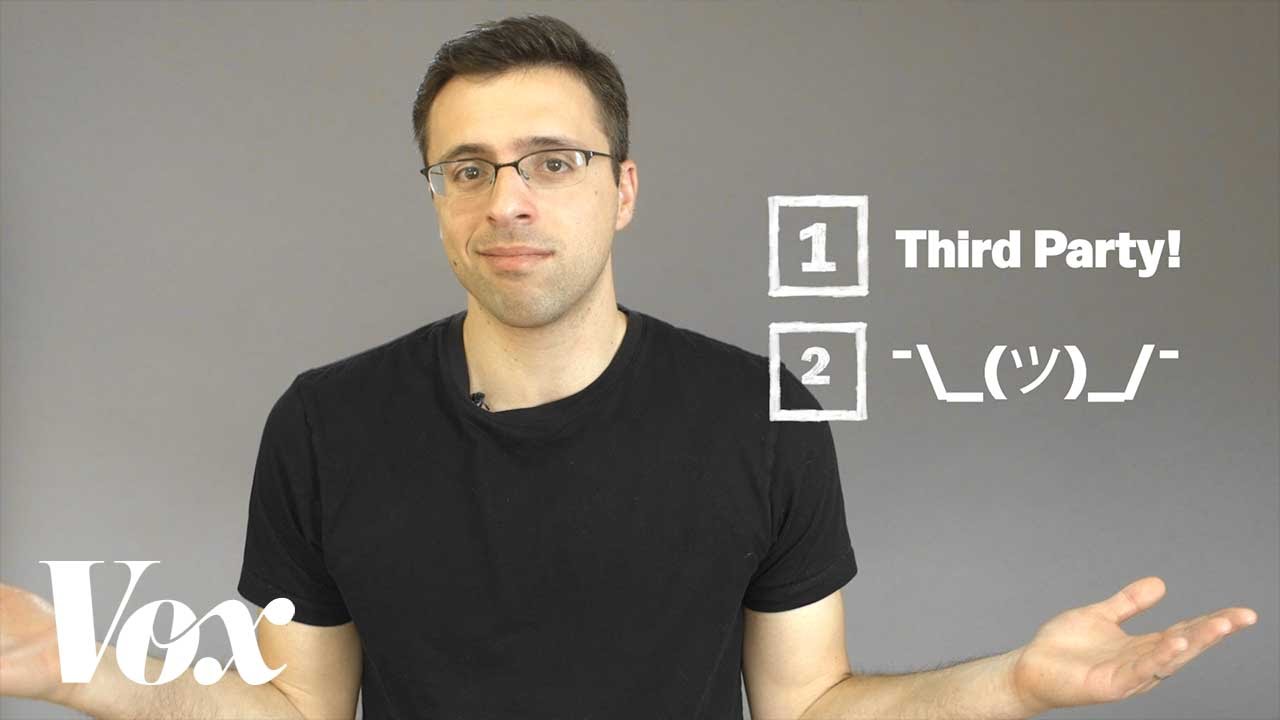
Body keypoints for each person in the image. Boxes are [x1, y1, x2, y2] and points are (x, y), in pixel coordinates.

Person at [0, 14, 1259, 720]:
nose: (507, 198)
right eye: (468, 168)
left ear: (622, 190)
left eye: (552, 162)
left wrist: (1015, 685)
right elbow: (298, 712)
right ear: (437, 199)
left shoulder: (758, 417)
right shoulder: (326, 422)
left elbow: (810, 707)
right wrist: (81, 666)